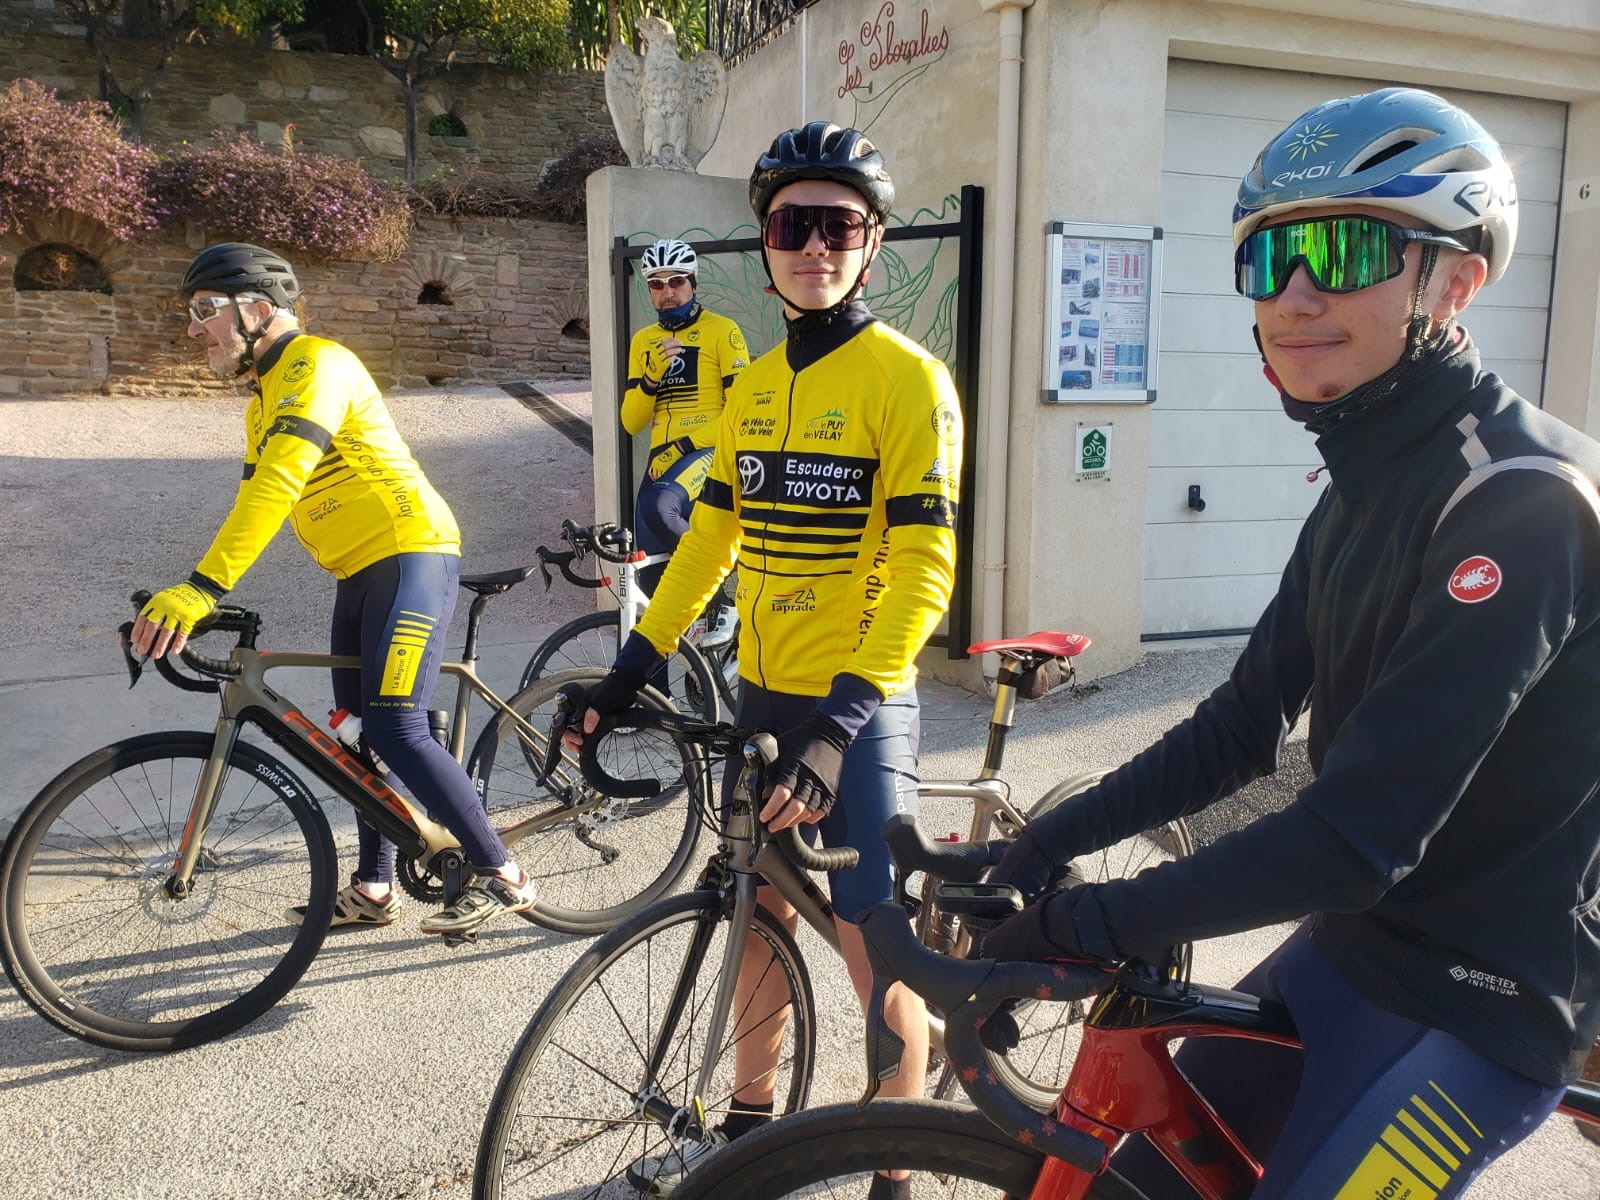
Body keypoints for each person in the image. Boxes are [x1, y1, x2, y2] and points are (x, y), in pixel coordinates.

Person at [982, 88, 1600, 1198]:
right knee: (1143, 1185)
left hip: (1487, 1000)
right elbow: (1239, 725)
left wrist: (1087, 921)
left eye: (1347, 248)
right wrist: (1041, 846)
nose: (1298, 293)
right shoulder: (1366, 482)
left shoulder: (1519, 502)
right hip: (1357, 949)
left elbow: (1360, 836)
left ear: (1453, 280)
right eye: (1271, 260)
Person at [574, 122, 963, 1199]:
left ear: (872, 241)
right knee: (754, 908)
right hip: (761, 689)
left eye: (838, 224)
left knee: (871, 952)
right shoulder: (749, 386)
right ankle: (751, 1120)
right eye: (793, 223)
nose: (814, 245)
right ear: (764, 239)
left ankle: (900, 1162)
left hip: (857, 704)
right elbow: (709, 541)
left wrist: (841, 728)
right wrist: (635, 662)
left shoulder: (908, 381)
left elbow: (926, 569)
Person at [131, 242, 538, 937]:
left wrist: (202, 587)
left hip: (411, 553)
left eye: (205, 311)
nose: (194, 328)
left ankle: (501, 871)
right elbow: (255, 500)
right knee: (353, 738)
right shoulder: (263, 401)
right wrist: (194, 592)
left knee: (395, 727)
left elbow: (281, 483)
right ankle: (375, 888)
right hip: (357, 572)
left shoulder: (319, 364)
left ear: (256, 310)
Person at [622, 237, 749, 608]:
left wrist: (685, 445)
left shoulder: (722, 331)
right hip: (661, 458)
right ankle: (674, 660)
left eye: (676, 281)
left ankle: (724, 601)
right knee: (650, 580)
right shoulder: (644, 341)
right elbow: (631, 423)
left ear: (693, 282)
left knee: (660, 508)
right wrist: (649, 380)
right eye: (657, 285)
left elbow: (739, 413)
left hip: (707, 451)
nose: (668, 293)